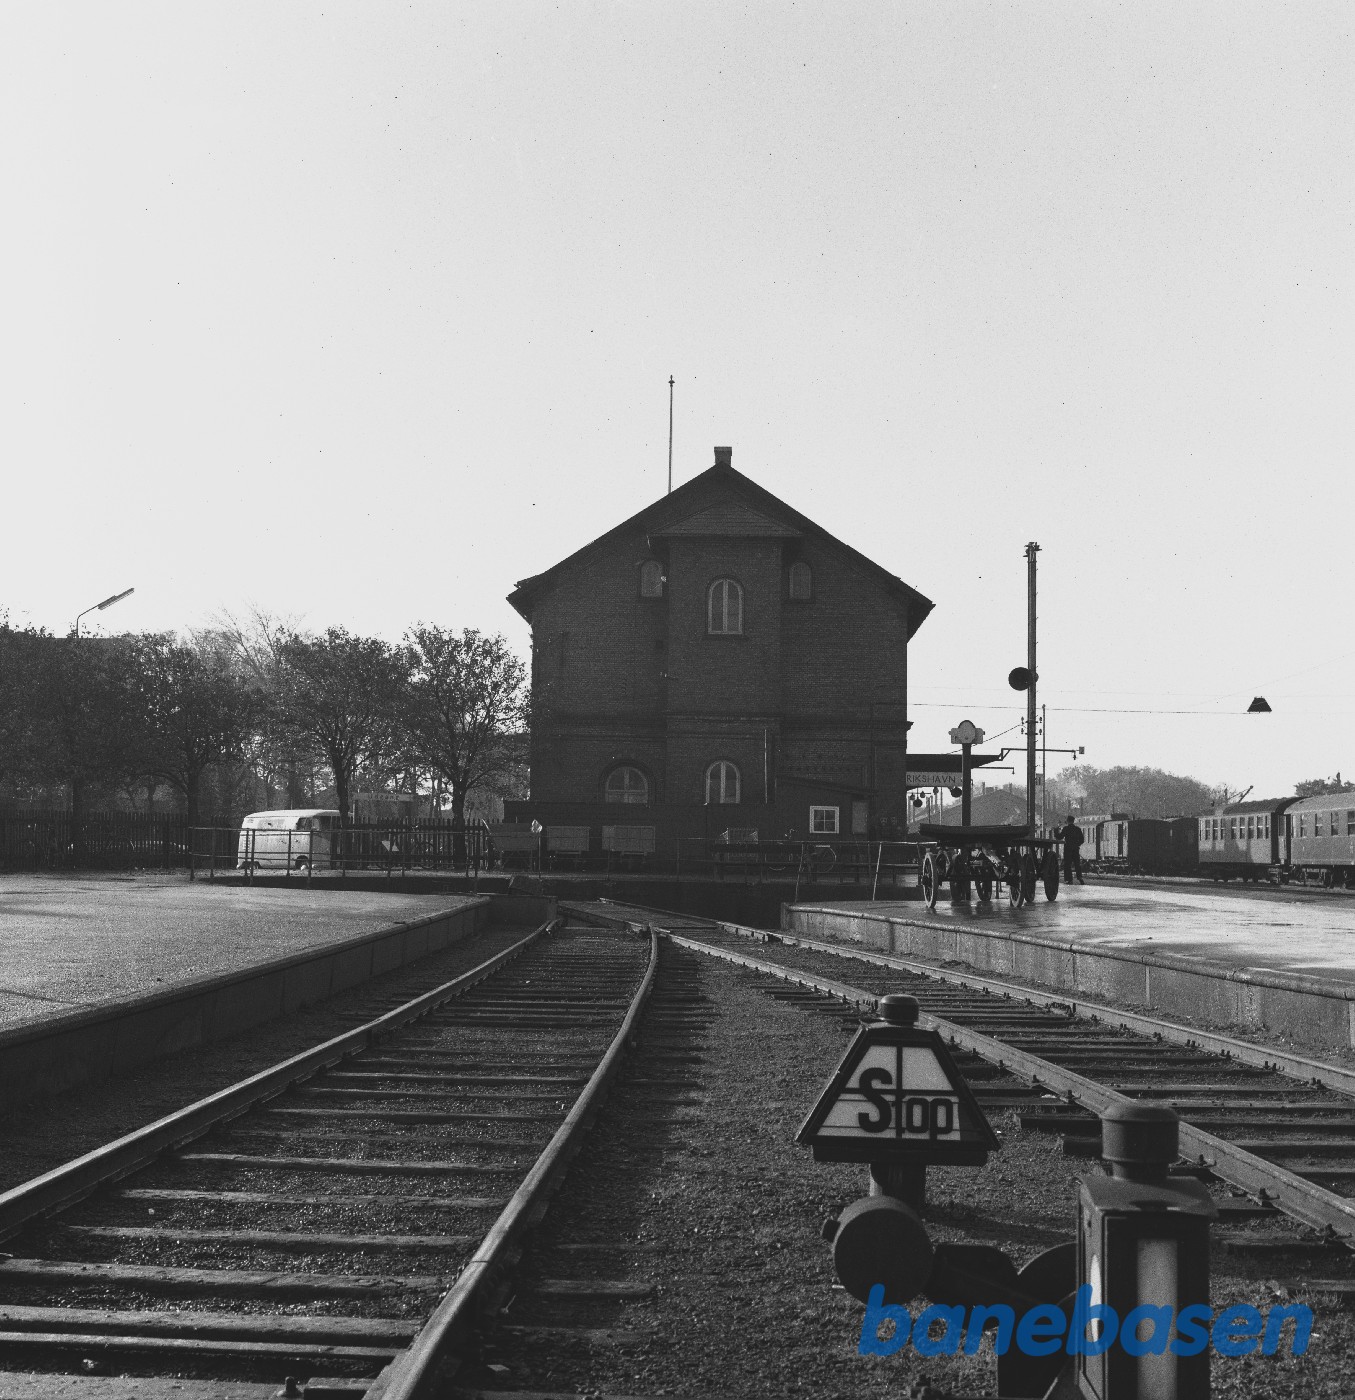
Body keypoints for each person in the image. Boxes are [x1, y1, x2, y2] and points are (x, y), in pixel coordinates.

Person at [1061, 814, 1085, 884]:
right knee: (1077, 863)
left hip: (1068, 849)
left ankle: (1069, 879)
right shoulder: (1077, 829)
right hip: (1075, 849)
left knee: (1067, 864)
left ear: (1067, 821)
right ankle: (1080, 877)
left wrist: (1056, 831)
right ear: (1073, 821)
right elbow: (1082, 840)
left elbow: (1060, 837)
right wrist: (1077, 844)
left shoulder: (1066, 829)